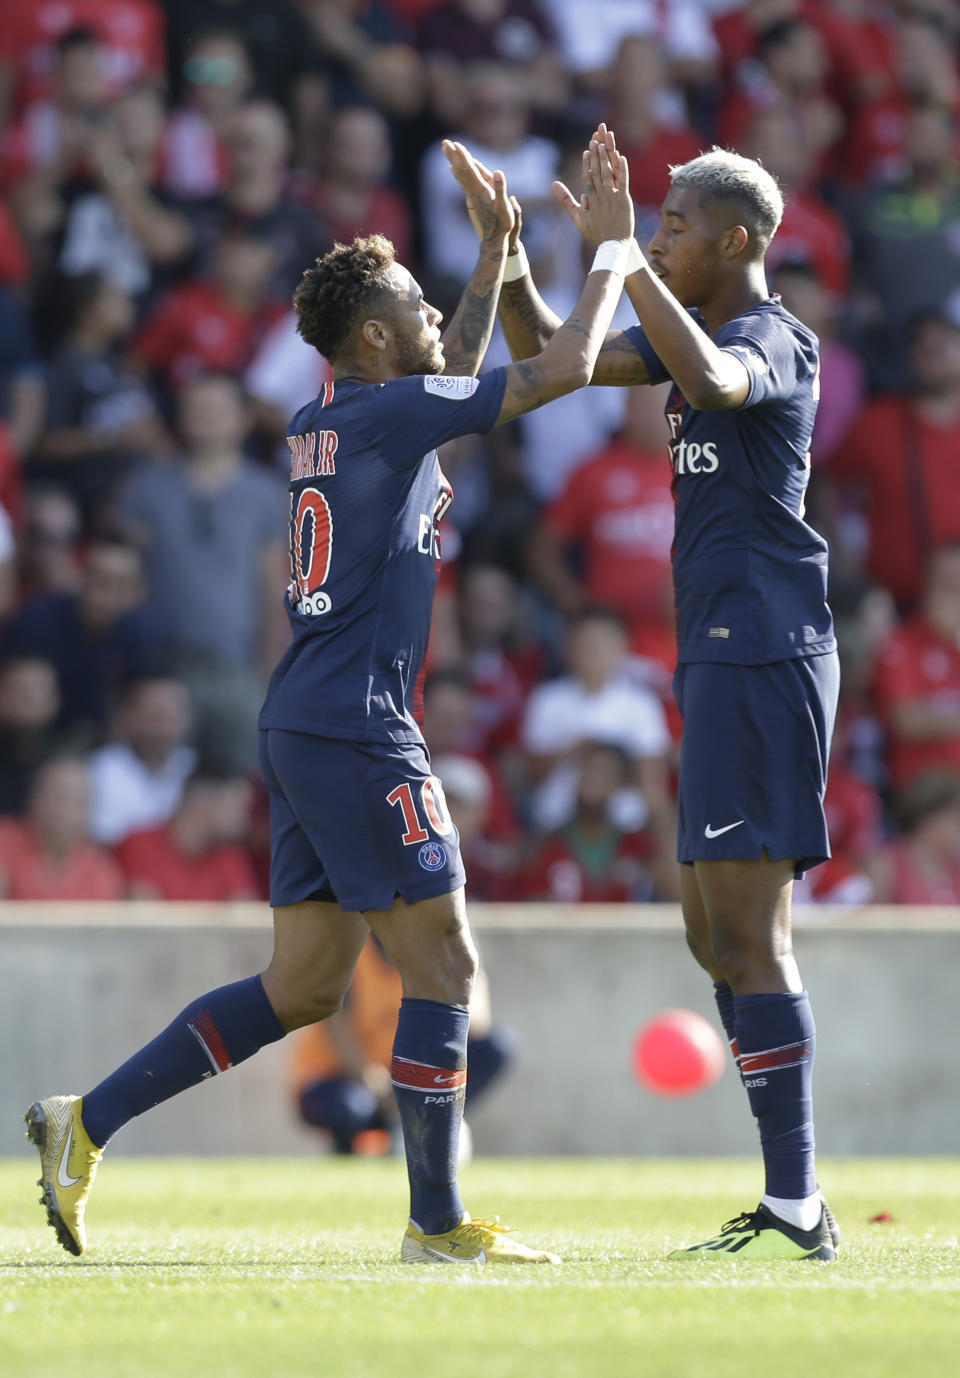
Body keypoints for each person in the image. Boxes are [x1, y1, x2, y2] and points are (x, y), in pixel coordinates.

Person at [26, 134, 636, 1265]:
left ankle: (83, 1122)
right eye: (408, 300)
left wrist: (496, 260)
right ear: (373, 336)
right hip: (360, 720)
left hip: (302, 716)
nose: (424, 318)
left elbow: (442, 361)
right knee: (444, 965)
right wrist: (606, 256)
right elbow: (553, 376)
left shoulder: (333, 414)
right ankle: (437, 1224)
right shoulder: (392, 415)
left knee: (304, 982)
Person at [459, 122, 841, 1258]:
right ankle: (793, 1198)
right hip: (721, 654)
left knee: (753, 935)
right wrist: (518, 253)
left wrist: (625, 260)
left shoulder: (773, 339)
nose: (656, 236)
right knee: (708, 932)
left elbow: (720, 383)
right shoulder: (692, 331)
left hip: (767, 650)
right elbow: (553, 358)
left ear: (735, 240)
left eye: (674, 226)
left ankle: (796, 1205)